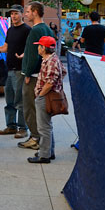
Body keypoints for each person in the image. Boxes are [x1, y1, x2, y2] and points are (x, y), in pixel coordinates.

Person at [19, 2, 54, 151]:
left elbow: (33, 55)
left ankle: (35, 137)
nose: (25, 14)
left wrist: (27, 73)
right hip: (43, 72)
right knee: (39, 108)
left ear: (35, 12)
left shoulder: (35, 30)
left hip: (33, 75)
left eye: (27, 12)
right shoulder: (47, 29)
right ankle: (39, 137)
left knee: (29, 107)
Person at [29, 35, 65, 164]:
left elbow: (50, 82)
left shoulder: (50, 61)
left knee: (43, 128)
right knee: (47, 126)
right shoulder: (53, 59)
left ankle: (44, 155)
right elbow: (63, 72)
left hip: (45, 97)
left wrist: (40, 95)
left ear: (43, 48)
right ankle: (49, 151)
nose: (38, 48)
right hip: (48, 96)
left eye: (39, 46)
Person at [0, 6, 30, 138]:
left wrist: (24, 55)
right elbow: (5, 47)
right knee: (9, 100)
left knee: (20, 101)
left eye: (16, 13)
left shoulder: (27, 30)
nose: (14, 16)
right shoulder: (10, 30)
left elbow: (31, 48)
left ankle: (23, 128)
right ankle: (11, 126)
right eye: (11, 14)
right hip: (9, 69)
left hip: (20, 70)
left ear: (22, 14)